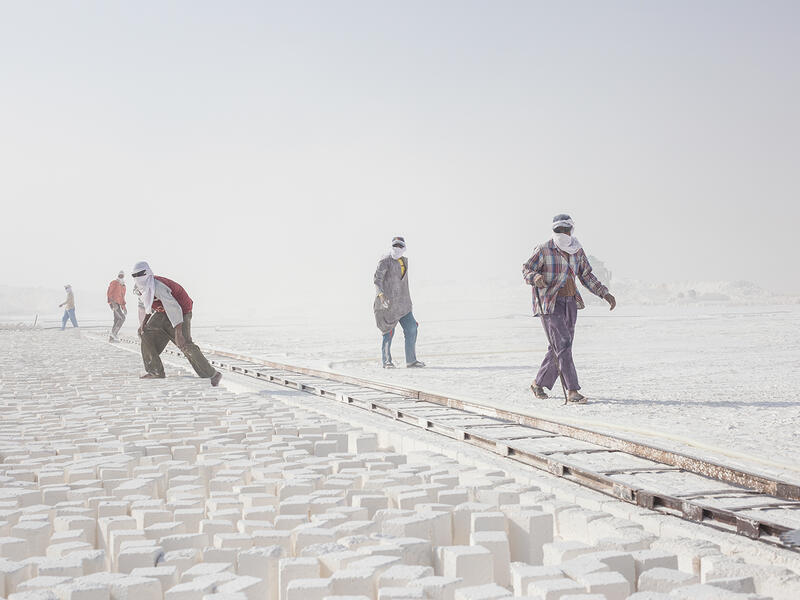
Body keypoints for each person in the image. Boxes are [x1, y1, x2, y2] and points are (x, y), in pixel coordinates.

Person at [522, 214, 616, 403]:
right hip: (549, 303)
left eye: (566, 230)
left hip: (570, 302)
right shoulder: (543, 249)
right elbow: (527, 269)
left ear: (571, 230)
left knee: (559, 346)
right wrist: (536, 278)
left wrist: (604, 293)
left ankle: (538, 383)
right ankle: (572, 390)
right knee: (563, 344)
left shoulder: (576, 250)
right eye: (559, 230)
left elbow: (586, 275)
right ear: (554, 230)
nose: (563, 233)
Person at [131, 261, 222, 386]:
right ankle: (155, 371)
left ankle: (212, 374)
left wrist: (178, 333)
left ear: (148, 272)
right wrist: (143, 324)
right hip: (162, 312)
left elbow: (175, 308)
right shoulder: (139, 288)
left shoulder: (157, 286)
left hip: (181, 311)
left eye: (141, 273)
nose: (138, 277)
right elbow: (146, 305)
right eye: (134, 275)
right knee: (145, 333)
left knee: (184, 344)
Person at [373, 236, 425, 369]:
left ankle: (411, 360)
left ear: (404, 248)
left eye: (400, 246)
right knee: (388, 332)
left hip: (404, 304)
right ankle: (387, 361)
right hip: (388, 304)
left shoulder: (404, 261)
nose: (397, 248)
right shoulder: (385, 261)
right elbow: (377, 280)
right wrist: (381, 295)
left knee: (412, 328)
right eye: (395, 245)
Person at [107, 270, 127, 342]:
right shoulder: (114, 283)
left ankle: (111, 338)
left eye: (122, 275)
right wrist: (112, 304)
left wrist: (124, 308)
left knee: (116, 320)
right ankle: (114, 334)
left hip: (118, 304)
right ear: (118, 276)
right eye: (120, 275)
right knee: (122, 318)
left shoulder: (123, 286)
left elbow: (122, 298)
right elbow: (109, 293)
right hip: (114, 304)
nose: (121, 277)